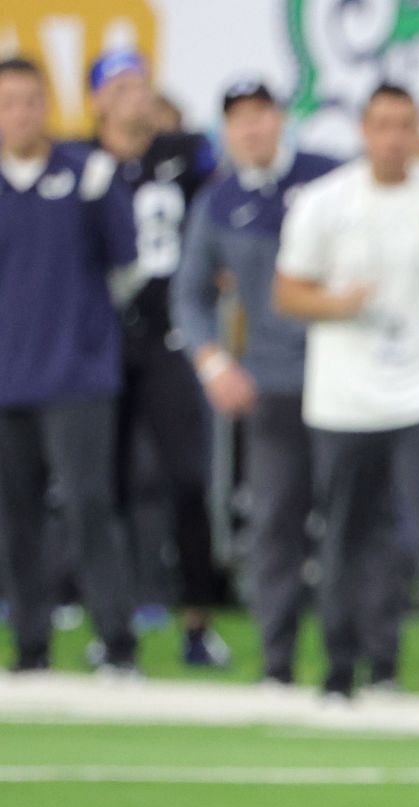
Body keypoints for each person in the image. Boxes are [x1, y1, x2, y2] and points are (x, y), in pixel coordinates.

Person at [274, 83, 419, 709]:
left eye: (405, 124)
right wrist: (335, 304)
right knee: (345, 532)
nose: (393, 137)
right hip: (344, 398)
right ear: (364, 131)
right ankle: (342, 667)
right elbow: (287, 290)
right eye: (381, 125)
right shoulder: (326, 203)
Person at [172, 79, 403, 688]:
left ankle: (376, 660)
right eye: (239, 119)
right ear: (226, 132)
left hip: (349, 378)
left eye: (261, 115)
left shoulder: (332, 181)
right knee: (276, 520)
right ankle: (277, 661)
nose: (252, 129)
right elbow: (190, 293)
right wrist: (214, 361)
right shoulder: (219, 203)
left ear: (281, 120)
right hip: (275, 384)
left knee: (361, 519)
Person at [0, 56, 140, 675]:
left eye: (31, 100)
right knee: (15, 516)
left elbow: (128, 267)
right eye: (7, 103)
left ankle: (117, 643)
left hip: (77, 377)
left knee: (89, 507)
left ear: (48, 106)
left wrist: (84, 334)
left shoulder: (88, 175)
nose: (20, 114)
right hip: (7, 380)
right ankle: (30, 648)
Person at [88, 48, 228, 666]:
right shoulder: (81, 164)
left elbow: (222, 210)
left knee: (188, 481)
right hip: (100, 344)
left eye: (139, 85)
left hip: (172, 338)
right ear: (96, 99)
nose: (131, 97)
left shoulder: (186, 154)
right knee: (102, 489)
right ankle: (109, 623)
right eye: (117, 86)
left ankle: (196, 622)